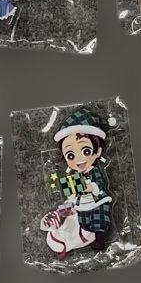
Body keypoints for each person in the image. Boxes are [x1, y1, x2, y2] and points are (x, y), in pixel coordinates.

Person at [43, 106, 116, 257]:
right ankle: (77, 231)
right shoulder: (74, 176)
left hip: (97, 201)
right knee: (84, 220)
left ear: (98, 152)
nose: (79, 160)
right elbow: (71, 197)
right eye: (70, 155)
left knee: (98, 220)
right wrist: (63, 208)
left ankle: (98, 238)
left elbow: (99, 184)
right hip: (81, 205)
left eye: (86, 151)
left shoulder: (94, 171)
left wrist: (90, 187)